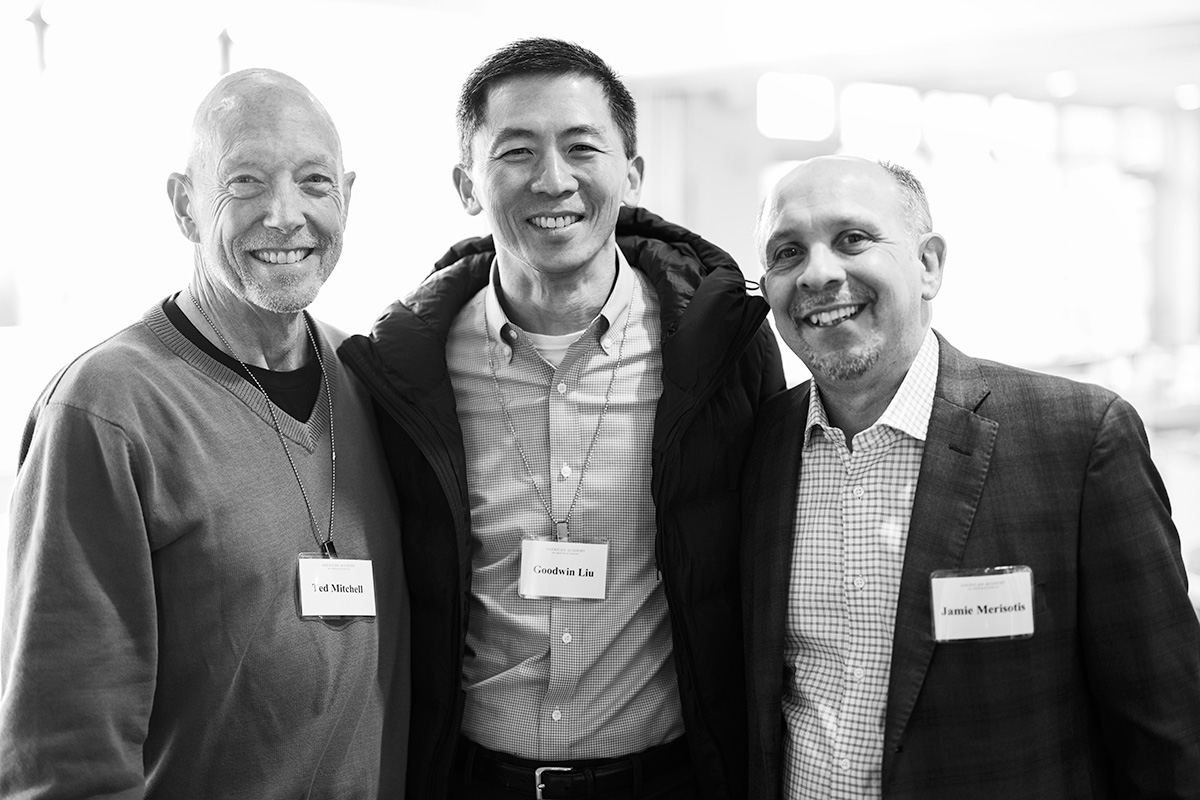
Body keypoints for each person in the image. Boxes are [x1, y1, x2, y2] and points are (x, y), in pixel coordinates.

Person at [338, 37, 784, 800]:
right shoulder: (402, 371)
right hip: (473, 781)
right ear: (466, 185)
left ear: (632, 174)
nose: (554, 180)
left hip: (672, 779)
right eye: (516, 152)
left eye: (582, 147)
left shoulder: (719, 347)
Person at [0, 68, 409, 797]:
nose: (286, 215)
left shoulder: (369, 381)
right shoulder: (105, 409)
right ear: (184, 204)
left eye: (314, 182)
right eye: (246, 181)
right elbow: (63, 751)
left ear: (348, 195)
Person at [741, 154, 1200, 799]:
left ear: (929, 264)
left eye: (853, 239)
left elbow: (1166, 727)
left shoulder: (1077, 437)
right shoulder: (758, 448)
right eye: (787, 253)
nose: (818, 274)